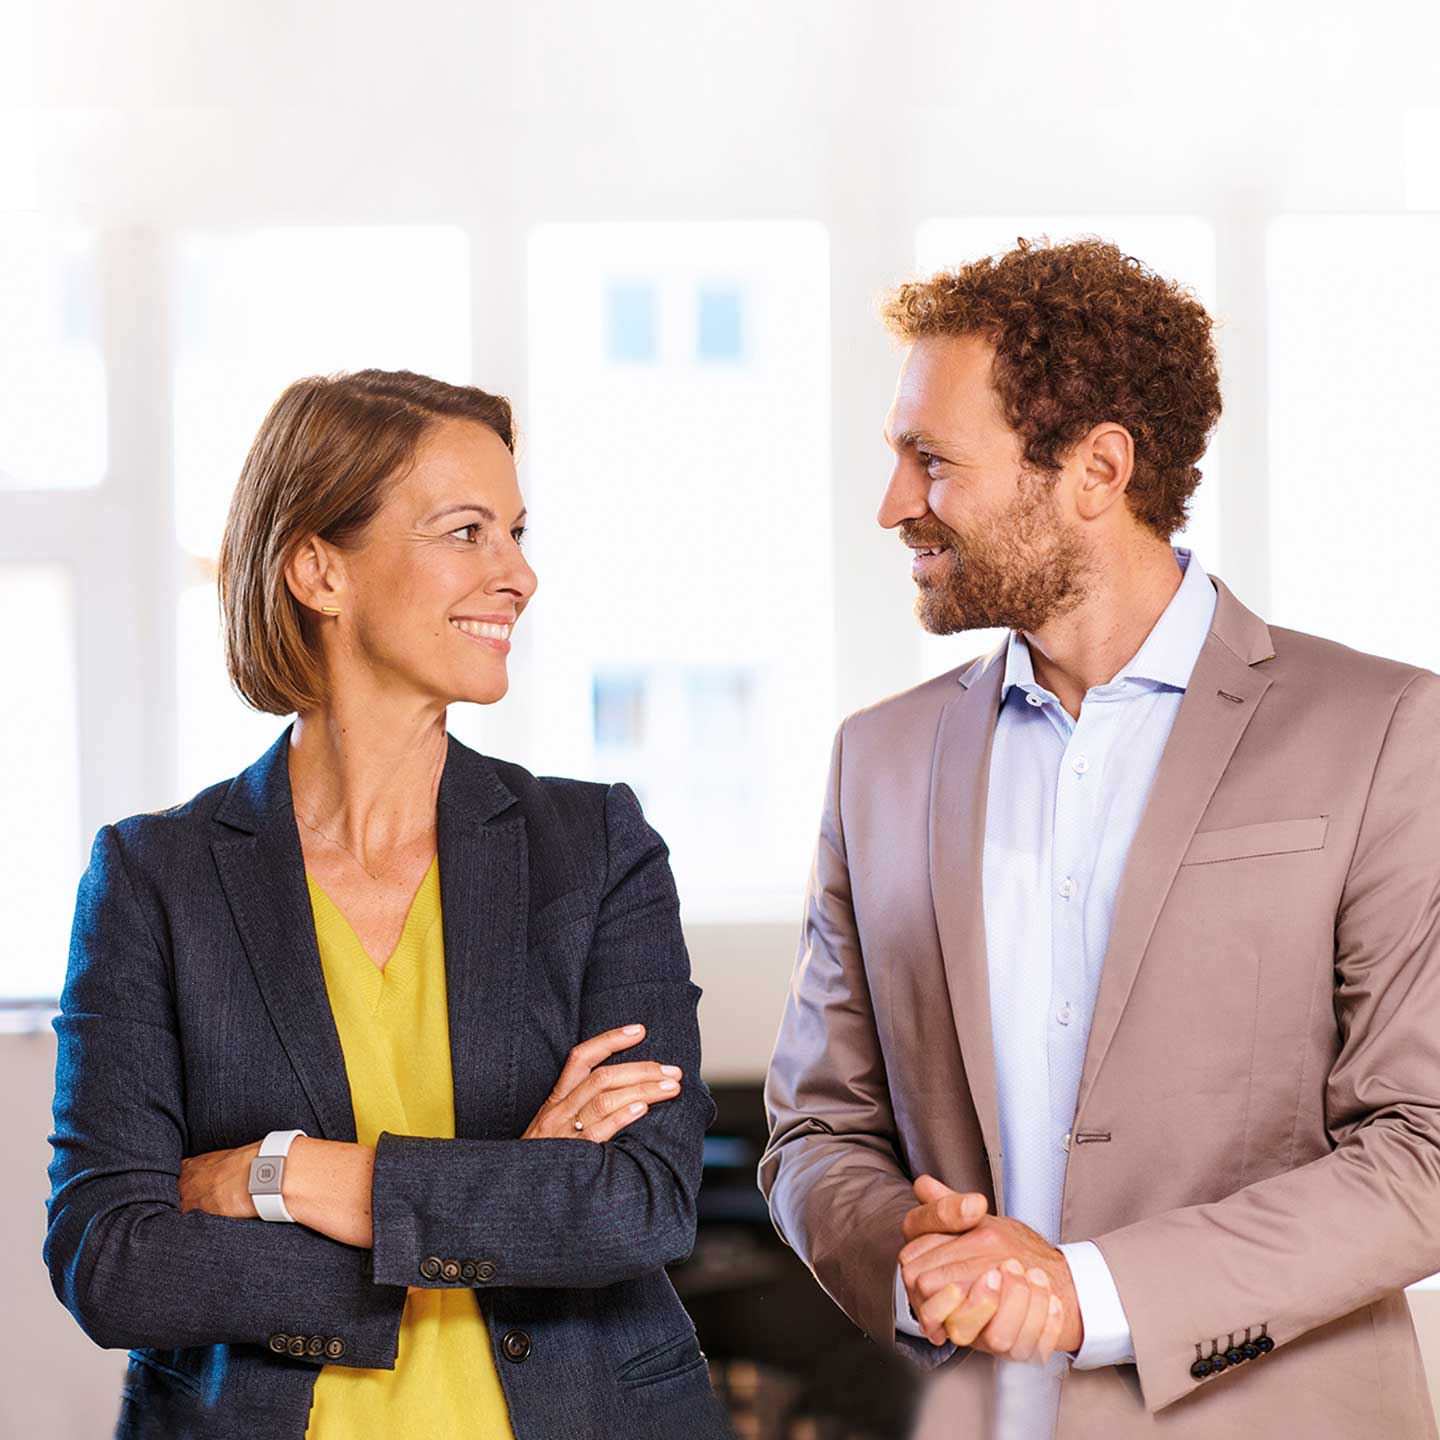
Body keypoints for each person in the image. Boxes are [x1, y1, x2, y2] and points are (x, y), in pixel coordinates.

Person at [758, 238, 1440, 1438]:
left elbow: (1425, 1148)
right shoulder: (879, 760)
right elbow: (819, 1128)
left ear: (1097, 468)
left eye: (933, 460)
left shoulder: (1384, 731)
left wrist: (1087, 1294)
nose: (893, 505)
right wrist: (910, 1255)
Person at [44, 369, 735, 1440]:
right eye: (467, 532)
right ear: (321, 570)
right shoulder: (153, 877)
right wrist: (509, 1194)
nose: (520, 574)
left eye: (515, 531)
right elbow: (113, 1262)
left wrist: (277, 1175)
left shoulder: (595, 848)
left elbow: (637, 1204)